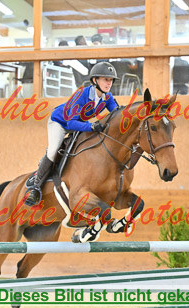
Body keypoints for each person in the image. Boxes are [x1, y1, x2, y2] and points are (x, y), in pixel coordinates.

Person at [24, 62, 119, 206]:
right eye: (106, 79)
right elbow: (70, 123)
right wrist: (92, 126)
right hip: (60, 122)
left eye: (111, 80)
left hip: (78, 124)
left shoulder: (107, 98)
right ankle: (35, 187)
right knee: (53, 150)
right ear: (95, 80)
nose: (109, 83)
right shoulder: (82, 94)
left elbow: (117, 114)